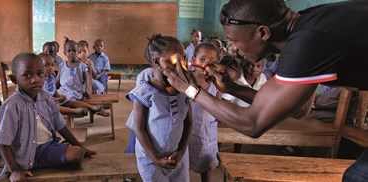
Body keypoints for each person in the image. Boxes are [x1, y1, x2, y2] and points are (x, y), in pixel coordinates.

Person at [161, 0, 368, 181]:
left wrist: (190, 90)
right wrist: (233, 88)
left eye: (235, 41)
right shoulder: (305, 26)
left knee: (358, 177)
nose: (234, 50)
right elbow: (300, 109)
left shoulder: (306, 43)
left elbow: (252, 123)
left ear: (263, 32)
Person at [0, 52, 96, 181]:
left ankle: (36, 162)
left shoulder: (46, 98)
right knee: (73, 158)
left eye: (40, 74)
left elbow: (61, 126)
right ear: (14, 79)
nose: (35, 79)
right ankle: (27, 164)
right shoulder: (12, 105)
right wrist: (14, 171)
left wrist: (81, 147)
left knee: (77, 154)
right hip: (23, 153)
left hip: (47, 147)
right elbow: (3, 142)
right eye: (27, 75)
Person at [128, 34, 192, 182]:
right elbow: (139, 128)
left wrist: (181, 151)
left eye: (184, 58)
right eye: (178, 59)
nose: (183, 64)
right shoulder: (144, 92)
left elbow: (189, 122)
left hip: (179, 157)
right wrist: (156, 159)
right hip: (151, 159)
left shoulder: (184, 90)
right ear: (157, 62)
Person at [188, 42, 221, 182]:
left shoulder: (217, 83)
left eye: (212, 62)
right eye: (202, 60)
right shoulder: (186, 79)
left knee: (207, 163)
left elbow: (219, 107)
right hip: (187, 131)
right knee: (184, 163)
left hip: (208, 130)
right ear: (193, 59)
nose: (206, 65)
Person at [56, 39, 109, 117]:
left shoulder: (82, 66)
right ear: (65, 53)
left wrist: (85, 91)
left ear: (77, 52)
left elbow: (87, 79)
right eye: (69, 51)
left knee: (64, 100)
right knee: (52, 102)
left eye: (74, 51)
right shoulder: (62, 65)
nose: (72, 53)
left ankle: (85, 108)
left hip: (75, 91)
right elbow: (57, 80)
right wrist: (52, 91)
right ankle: (90, 108)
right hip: (63, 90)